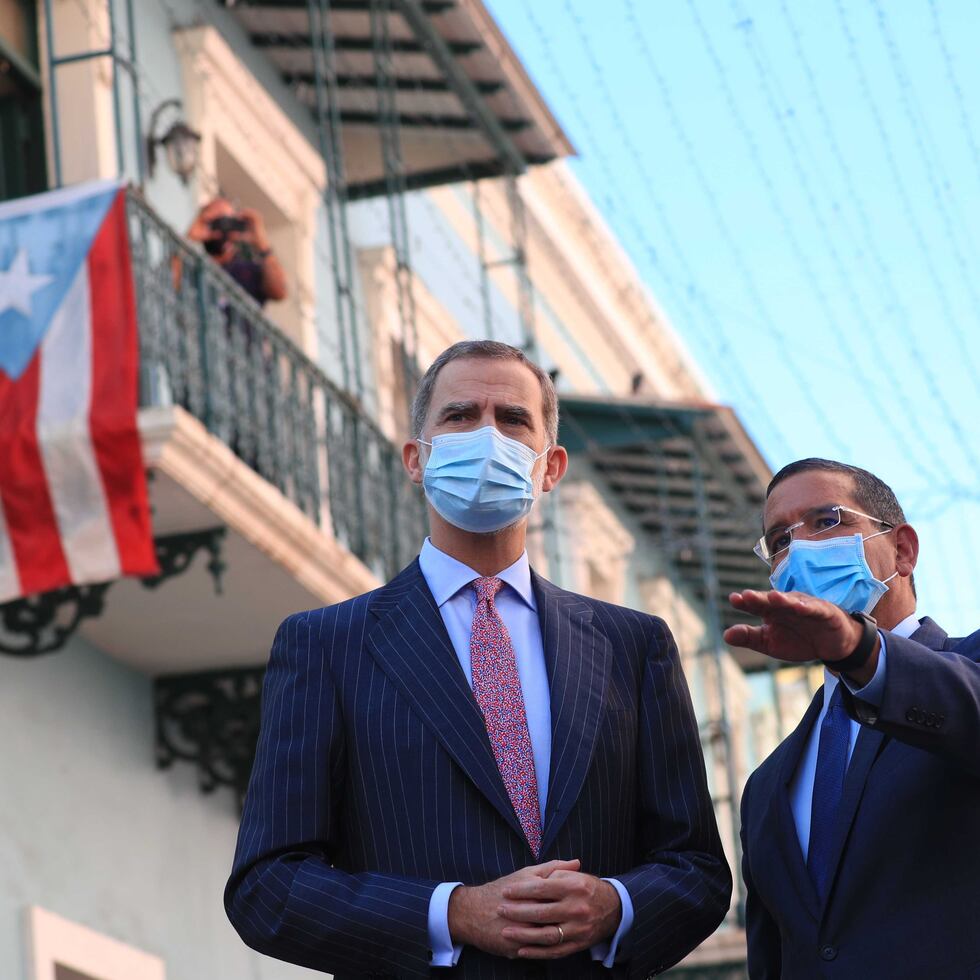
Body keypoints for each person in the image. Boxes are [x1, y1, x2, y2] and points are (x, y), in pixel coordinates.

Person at [225, 340, 732, 978]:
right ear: (417, 458)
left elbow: (698, 869)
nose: (487, 435)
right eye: (460, 416)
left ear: (551, 467)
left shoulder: (634, 646)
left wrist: (615, 905)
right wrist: (452, 912)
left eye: (513, 419)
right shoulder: (325, 644)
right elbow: (267, 886)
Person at [727, 458, 980, 979]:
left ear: (903, 550)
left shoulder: (966, 670)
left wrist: (862, 651)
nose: (799, 550)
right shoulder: (767, 785)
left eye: (827, 521)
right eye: (779, 541)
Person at [186, 196, 287, 305]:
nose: (222, 228)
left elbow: (279, 292)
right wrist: (190, 238)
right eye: (217, 221)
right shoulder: (193, 265)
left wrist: (261, 244)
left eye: (228, 221)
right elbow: (171, 283)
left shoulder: (248, 271)